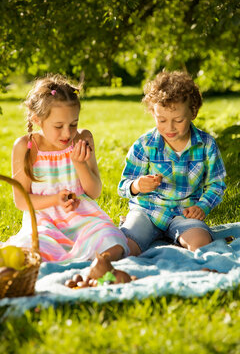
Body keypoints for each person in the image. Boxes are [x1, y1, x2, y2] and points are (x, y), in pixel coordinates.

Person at [5, 74, 129, 262]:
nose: (67, 133)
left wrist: (79, 164)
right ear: (37, 119)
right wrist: (55, 199)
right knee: (34, 249)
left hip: (82, 216)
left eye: (73, 124)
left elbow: (94, 191)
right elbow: (22, 201)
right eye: (58, 126)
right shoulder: (26, 147)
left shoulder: (82, 139)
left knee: (112, 241)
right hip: (44, 221)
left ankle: (99, 266)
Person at [118, 71, 226, 256]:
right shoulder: (144, 145)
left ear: (193, 112)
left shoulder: (206, 145)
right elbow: (123, 186)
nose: (170, 128)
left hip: (184, 214)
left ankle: (200, 266)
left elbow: (216, 184)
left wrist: (203, 206)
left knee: (202, 243)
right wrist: (137, 185)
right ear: (153, 113)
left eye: (178, 120)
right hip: (147, 211)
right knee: (125, 245)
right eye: (162, 120)